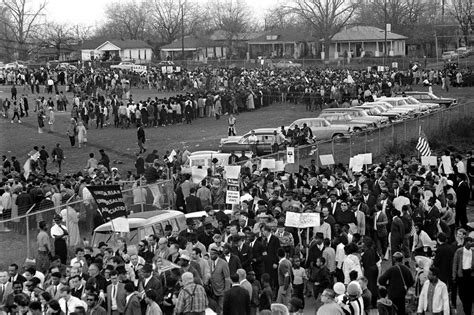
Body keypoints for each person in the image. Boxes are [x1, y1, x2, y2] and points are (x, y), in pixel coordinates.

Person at [452, 236, 473, 315]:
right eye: (469, 241)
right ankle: (465, 306)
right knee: (461, 293)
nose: (471, 243)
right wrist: (454, 275)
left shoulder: (473, 251)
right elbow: (455, 263)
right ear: (466, 242)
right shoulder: (459, 251)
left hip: (470, 274)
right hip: (461, 274)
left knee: (470, 294)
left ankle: (468, 311)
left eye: (472, 242)